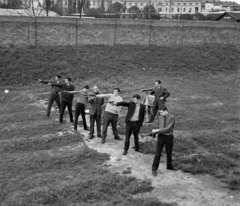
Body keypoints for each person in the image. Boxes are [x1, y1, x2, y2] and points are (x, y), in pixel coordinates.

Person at [151, 107, 177, 176]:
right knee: (157, 153)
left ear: (166, 111)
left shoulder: (172, 117)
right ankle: (154, 169)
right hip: (161, 137)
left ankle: (169, 166)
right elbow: (159, 127)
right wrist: (155, 133)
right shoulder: (160, 117)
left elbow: (168, 128)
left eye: (161, 112)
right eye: (159, 112)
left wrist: (157, 130)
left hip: (169, 136)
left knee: (169, 153)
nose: (160, 114)